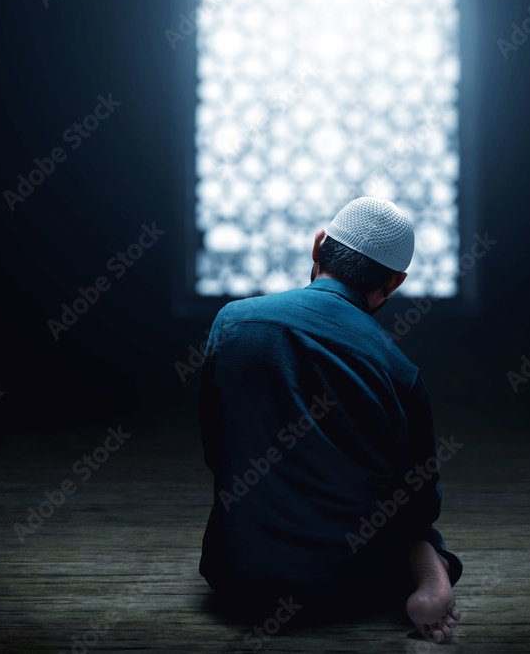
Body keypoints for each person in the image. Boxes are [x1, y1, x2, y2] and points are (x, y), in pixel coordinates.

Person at [198, 196, 463, 642]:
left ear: (318, 245)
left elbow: (216, 448)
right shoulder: (399, 371)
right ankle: (430, 572)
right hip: (352, 586)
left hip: (236, 577)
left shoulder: (232, 323)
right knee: (414, 525)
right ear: (395, 283)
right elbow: (419, 502)